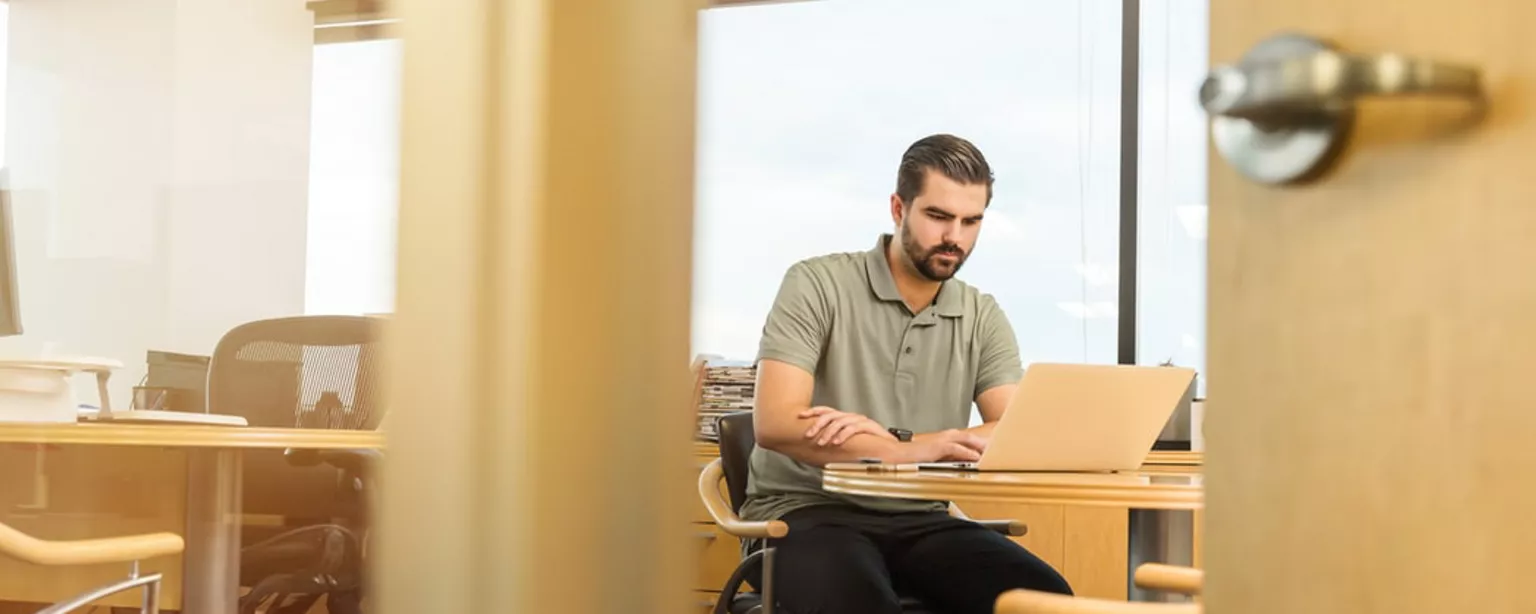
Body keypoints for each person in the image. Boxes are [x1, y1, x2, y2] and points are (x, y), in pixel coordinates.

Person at [741, 134, 1073, 614]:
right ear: (899, 209)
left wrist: (913, 444)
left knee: (1044, 602)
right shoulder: (816, 283)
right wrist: (907, 451)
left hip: (921, 517)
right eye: (938, 216)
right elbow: (775, 423)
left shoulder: (981, 314)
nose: (955, 237)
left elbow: (1015, 433)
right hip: (805, 513)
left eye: (971, 221)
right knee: (856, 601)